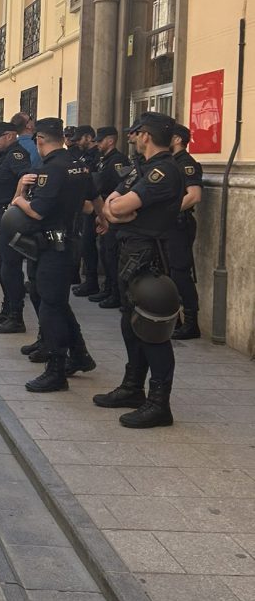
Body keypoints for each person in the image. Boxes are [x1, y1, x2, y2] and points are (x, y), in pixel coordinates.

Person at [93, 112, 185, 428]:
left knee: (153, 330)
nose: (132, 137)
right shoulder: (141, 168)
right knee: (130, 324)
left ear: (145, 135)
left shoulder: (164, 171)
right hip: (131, 251)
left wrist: (118, 212)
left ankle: (159, 404)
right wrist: (120, 213)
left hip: (151, 257)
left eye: (136, 132)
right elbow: (111, 205)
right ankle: (133, 388)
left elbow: (115, 207)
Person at [12, 118, 92, 391]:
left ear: (40, 140)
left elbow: (37, 210)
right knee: (58, 303)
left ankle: (56, 369)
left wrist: (19, 197)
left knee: (49, 306)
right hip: (69, 241)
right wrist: (103, 217)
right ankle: (80, 354)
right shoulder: (78, 163)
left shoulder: (51, 169)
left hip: (52, 245)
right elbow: (91, 202)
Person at [0, 124, 31, 333]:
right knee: (2, 264)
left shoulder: (17, 155)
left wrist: (14, 202)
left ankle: (16, 316)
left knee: (10, 266)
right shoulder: (1, 155)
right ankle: (7, 309)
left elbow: (25, 178)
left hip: (8, 215)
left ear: (11, 135)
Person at [169, 123, 203, 339]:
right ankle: (176, 319)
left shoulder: (187, 164)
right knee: (171, 272)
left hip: (180, 223)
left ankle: (191, 324)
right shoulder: (170, 162)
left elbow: (194, 195)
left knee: (181, 273)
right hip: (170, 224)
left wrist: (167, 210)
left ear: (178, 139)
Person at [89, 127, 129, 309]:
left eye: (100, 140)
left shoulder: (118, 161)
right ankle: (109, 288)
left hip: (113, 210)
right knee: (105, 252)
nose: (97, 144)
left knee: (112, 253)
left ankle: (116, 293)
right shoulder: (104, 160)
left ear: (110, 141)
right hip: (103, 208)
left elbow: (118, 186)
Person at [71, 126, 101, 297]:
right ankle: (89, 281)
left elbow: (96, 183)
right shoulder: (82, 156)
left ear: (89, 137)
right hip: (83, 205)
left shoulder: (98, 157)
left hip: (96, 205)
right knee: (85, 245)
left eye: (79, 138)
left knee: (91, 246)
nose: (76, 142)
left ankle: (93, 283)